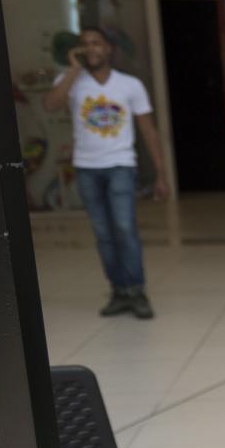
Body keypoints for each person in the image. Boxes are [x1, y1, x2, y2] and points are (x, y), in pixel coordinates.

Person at [42, 25, 169, 319]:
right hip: (86, 168)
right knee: (103, 233)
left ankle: (137, 290)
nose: (91, 49)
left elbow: (148, 130)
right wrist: (73, 70)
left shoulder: (130, 85)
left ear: (108, 48)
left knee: (124, 228)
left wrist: (161, 174)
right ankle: (119, 290)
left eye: (96, 43)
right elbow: (50, 105)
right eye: (85, 44)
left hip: (121, 165)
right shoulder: (70, 80)